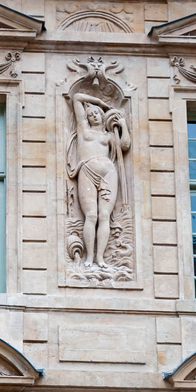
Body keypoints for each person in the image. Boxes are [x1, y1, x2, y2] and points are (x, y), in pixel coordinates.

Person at [69, 92, 130, 268]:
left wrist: (123, 125)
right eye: (90, 114)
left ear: (102, 116)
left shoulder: (109, 136)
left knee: (104, 215)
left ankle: (101, 258)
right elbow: (78, 97)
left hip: (108, 173)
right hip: (87, 170)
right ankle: (89, 257)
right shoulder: (83, 130)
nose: (93, 115)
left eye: (96, 112)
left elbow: (125, 145)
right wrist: (99, 102)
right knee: (91, 215)